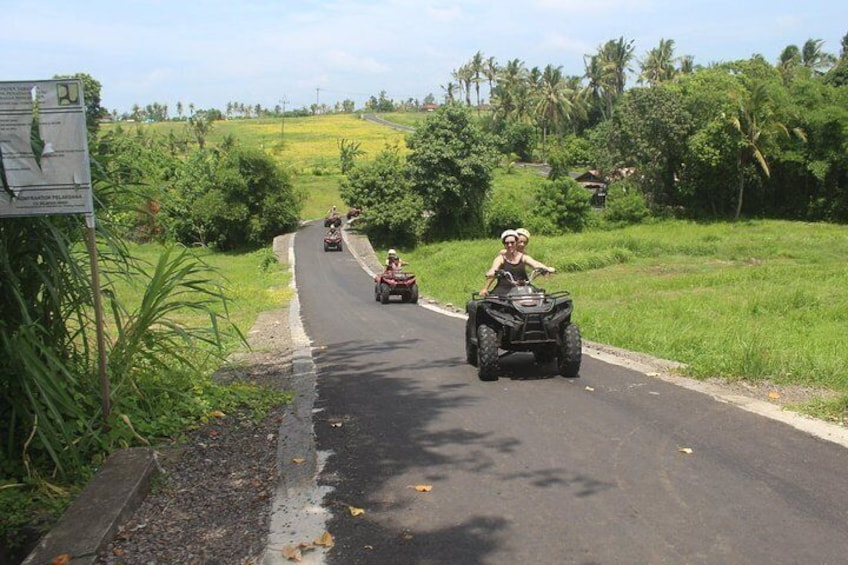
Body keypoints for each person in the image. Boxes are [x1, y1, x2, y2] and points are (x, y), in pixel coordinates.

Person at [479, 229, 554, 296]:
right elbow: (494, 268)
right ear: (504, 244)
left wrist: (546, 268)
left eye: (512, 242)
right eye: (507, 243)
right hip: (504, 289)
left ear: (516, 243)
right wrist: (487, 284)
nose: (509, 245)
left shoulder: (523, 256)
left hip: (523, 287)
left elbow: (535, 263)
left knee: (540, 298)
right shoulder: (501, 258)